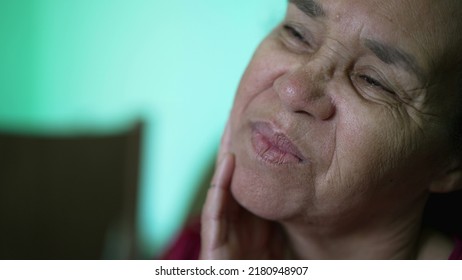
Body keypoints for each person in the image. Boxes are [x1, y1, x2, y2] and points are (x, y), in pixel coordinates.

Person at [163, 0, 462, 259]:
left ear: (452, 164)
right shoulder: (197, 251)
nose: (293, 89)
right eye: (296, 32)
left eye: (374, 81)